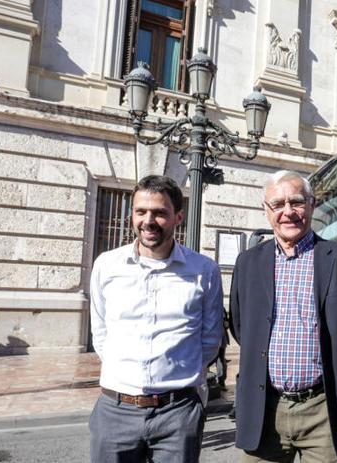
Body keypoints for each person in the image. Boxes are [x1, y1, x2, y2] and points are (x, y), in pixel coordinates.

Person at [229, 170, 337, 462]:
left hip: (323, 409)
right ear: (266, 210)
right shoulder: (248, 263)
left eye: (296, 202)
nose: (288, 212)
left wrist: (332, 352)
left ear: (312, 204)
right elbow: (240, 324)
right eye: (278, 204)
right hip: (265, 409)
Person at [89, 175, 223, 463]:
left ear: (178, 217)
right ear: (132, 215)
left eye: (160, 213)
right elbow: (100, 332)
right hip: (115, 411)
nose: (148, 220)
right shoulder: (106, 266)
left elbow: (210, 340)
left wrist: (177, 376)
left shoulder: (205, 271)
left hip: (177, 414)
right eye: (141, 212)